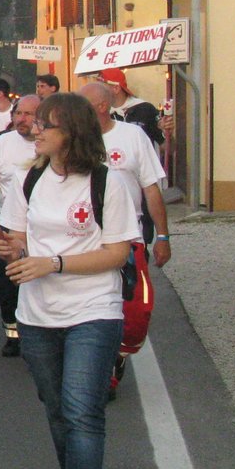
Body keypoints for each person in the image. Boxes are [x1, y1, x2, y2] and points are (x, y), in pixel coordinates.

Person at [0, 92, 140, 469]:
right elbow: (18, 238)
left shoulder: (107, 183)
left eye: (46, 125)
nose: (35, 130)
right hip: (37, 316)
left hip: (93, 310)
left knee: (83, 411)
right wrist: (9, 249)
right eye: (36, 123)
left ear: (71, 133)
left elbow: (118, 253)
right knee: (56, 407)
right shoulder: (29, 178)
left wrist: (52, 263)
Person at [79, 81, 171, 392]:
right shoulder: (74, 139)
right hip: (85, 240)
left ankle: (118, 352)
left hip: (128, 238)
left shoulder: (132, 137)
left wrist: (163, 236)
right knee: (92, 307)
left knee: (135, 311)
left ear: (102, 107)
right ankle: (100, 371)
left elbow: (151, 187)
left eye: (84, 104)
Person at [0, 94, 41, 356]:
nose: (21, 119)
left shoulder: (52, 145)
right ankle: (13, 333)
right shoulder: (3, 144)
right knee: (7, 281)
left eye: (28, 114)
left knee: (35, 279)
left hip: (42, 226)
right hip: (7, 222)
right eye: (18, 113)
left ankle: (38, 332)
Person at [98, 67, 165, 149]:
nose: (97, 91)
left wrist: (167, 132)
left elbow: (167, 147)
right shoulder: (101, 114)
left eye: (101, 87)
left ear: (116, 88)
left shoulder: (145, 109)